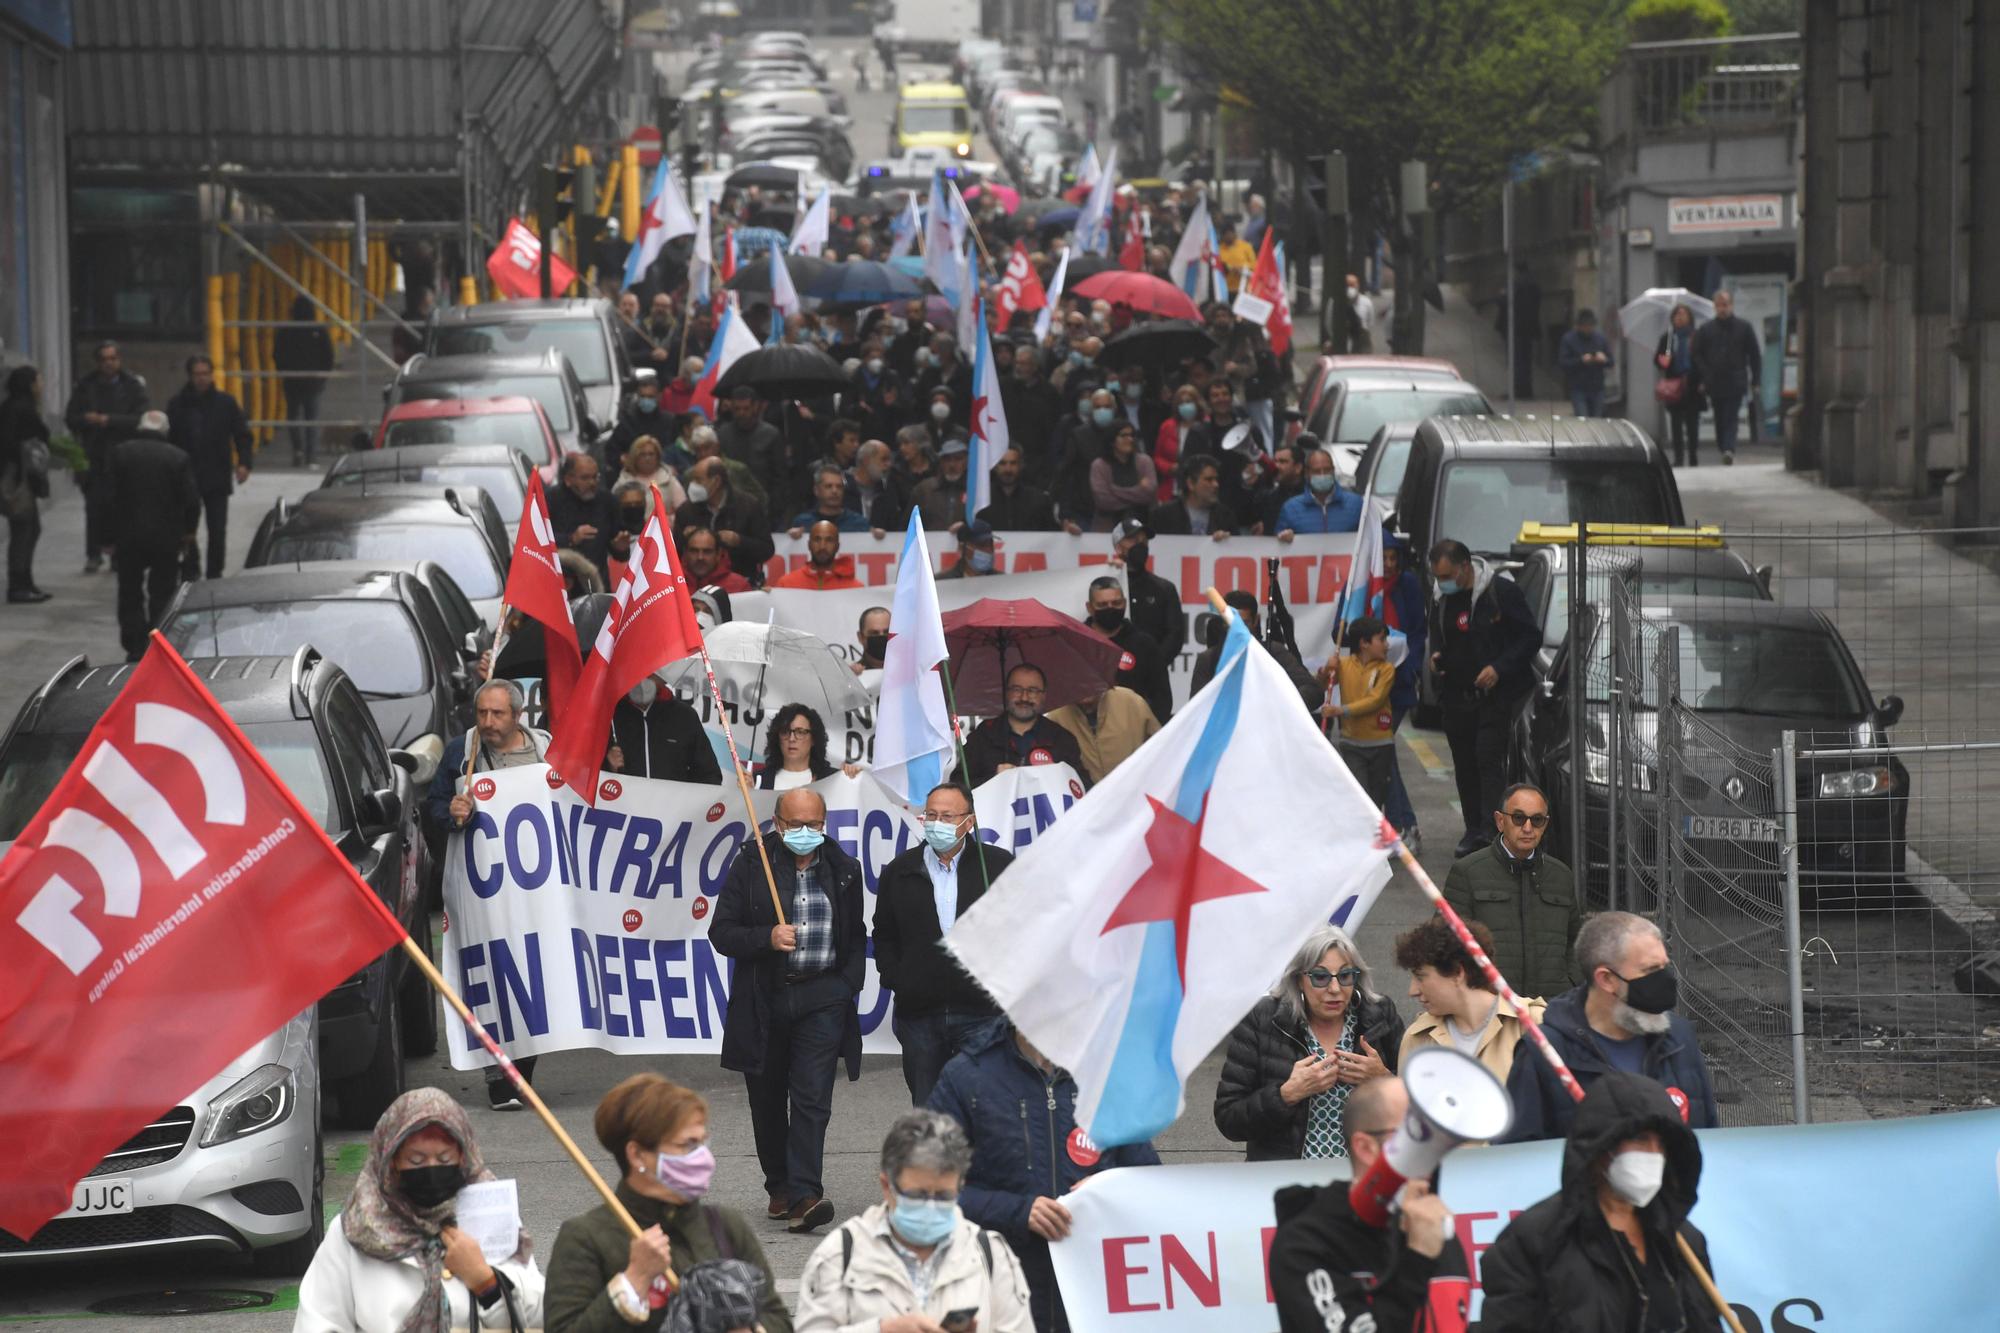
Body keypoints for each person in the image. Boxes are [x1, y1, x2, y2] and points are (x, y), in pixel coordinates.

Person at [928, 1020, 1161, 1333]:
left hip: (1092, 1293)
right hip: (1000, 1292)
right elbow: (928, 1191)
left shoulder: (1105, 1075)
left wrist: (1107, 1189)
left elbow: (1149, 1181)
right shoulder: (967, 1076)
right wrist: (1019, 1211)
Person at [708, 788, 868, 1234]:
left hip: (823, 997)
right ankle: (778, 1183)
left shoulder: (843, 869)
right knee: (767, 1097)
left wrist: (845, 984)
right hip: (765, 997)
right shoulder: (751, 864)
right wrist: (766, 938)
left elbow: (854, 934)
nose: (805, 833)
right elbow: (721, 932)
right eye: (795, 825)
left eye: (814, 825)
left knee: (813, 1098)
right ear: (776, 824)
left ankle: (805, 1194)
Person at [543, 1073, 792, 1333]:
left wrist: (752, 1329)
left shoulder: (725, 1225)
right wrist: (635, 1280)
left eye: (703, 1142)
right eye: (687, 1145)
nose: (702, 1156)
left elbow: (777, 1316)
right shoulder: (587, 1237)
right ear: (637, 1155)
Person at [1477, 1073, 1722, 1332]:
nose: (1653, 1154)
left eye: (1661, 1144)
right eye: (1640, 1139)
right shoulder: (1535, 1240)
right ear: (1603, 1145)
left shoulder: (1683, 1240)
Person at [295, 1088, 544, 1331]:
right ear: (390, 1162)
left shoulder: (489, 1213)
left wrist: (486, 1284)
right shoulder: (356, 1229)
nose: (431, 1170)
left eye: (445, 1159)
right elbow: (318, 1321)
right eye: (416, 1161)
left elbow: (540, 1316)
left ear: (464, 1157)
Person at [793, 1110, 1034, 1333]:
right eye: (917, 1194)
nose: (930, 1205)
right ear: (887, 1186)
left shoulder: (989, 1254)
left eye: (943, 1196)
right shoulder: (841, 1255)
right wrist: (882, 1330)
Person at [427, 679, 551, 1108]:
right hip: (482, 890)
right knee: (492, 975)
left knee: (533, 976)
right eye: (481, 713)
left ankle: (523, 1070)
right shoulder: (462, 754)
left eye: (497, 714)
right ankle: (499, 1076)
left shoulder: (546, 753)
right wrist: (452, 812)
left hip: (536, 891)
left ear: (518, 716)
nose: (488, 722)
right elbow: (434, 807)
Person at [1266, 1076, 1468, 1333]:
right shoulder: (1306, 1242)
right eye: (1414, 1133)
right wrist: (1417, 1259)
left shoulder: (1432, 1227)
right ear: (1365, 1147)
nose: (1431, 1147)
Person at [1504, 912, 1719, 1144]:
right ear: (1606, 979)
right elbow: (1517, 1158)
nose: (1665, 979)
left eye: (1664, 966)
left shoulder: (1679, 1037)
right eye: (1650, 970)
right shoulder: (1544, 1053)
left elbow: (1708, 1135)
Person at [873, 782, 1015, 1103]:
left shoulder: (996, 865)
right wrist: (899, 979)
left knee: (986, 1111)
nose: (937, 824)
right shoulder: (901, 870)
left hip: (983, 1013)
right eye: (931, 815)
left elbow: (1020, 929)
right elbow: (885, 933)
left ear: (969, 821)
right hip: (921, 1015)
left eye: (948, 816)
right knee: (930, 1115)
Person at [1214, 924, 1406, 1161]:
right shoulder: (1264, 1020)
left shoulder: (1378, 1015)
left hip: (1367, 1180)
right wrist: (1286, 1094)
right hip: (1287, 1183)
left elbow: (1422, 1109)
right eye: (1320, 977)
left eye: (1345, 976)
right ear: (1298, 980)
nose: (1335, 989)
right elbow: (1229, 1119)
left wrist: (1384, 1081)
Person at [1427, 539, 1539, 856]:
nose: (1442, 583)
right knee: (1464, 765)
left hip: (1493, 697)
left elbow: (1530, 636)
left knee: (1486, 760)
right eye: (1437, 577)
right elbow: (1437, 630)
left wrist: (1499, 668)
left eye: (1447, 576)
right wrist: (1437, 656)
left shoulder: (1499, 593)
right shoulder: (1440, 598)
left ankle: (1492, 832)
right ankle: (1473, 828)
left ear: (1465, 567)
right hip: (1455, 697)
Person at [1442, 783, 1580, 1003]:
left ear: (1545, 824)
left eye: (1536, 820)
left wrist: (1570, 984)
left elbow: (1576, 939)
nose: (1527, 828)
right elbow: (1444, 939)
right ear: (1500, 821)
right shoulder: (1468, 872)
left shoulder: (1561, 876)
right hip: (1489, 1010)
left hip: (1550, 1011)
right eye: (1518, 818)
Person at [1395, 915, 1545, 1090]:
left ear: (1458, 972)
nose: (1412, 990)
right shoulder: (1416, 1038)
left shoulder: (1533, 1024)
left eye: (1420, 977)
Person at [101, 410, 200, 661]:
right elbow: (191, 500)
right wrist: (189, 531)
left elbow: (106, 498)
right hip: (166, 538)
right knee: (163, 591)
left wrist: (107, 536)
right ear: (164, 431)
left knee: (130, 591)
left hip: (128, 536)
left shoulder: (120, 453)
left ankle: (134, 644)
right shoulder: (178, 457)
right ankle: (157, 642)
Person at [63, 339, 149, 572]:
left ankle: (119, 555)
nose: (109, 364)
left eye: (113, 359)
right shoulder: (86, 386)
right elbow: (71, 417)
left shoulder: (132, 386)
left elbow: (140, 419)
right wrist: (86, 420)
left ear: (119, 360)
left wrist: (108, 420)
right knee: (94, 507)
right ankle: (94, 554)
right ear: (98, 362)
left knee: (121, 507)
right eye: (104, 359)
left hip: (124, 455)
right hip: (94, 456)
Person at [165, 354, 253, 580]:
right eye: (197, 374)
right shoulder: (177, 405)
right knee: (186, 529)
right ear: (190, 376)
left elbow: (242, 435)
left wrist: (244, 463)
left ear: (211, 375)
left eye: (205, 374)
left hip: (216, 474)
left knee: (217, 530)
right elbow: (169, 440)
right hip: (186, 476)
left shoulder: (225, 403)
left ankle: (215, 572)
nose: (202, 379)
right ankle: (190, 570)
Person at [1190, 590, 1321, 711]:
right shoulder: (1208, 659)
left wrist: (1280, 706)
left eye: (1244, 623)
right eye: (1231, 623)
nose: (1237, 630)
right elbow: (1196, 709)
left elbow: (1313, 691)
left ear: (1255, 620)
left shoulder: (1273, 652)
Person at [962, 663, 1086, 786]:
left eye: (1032, 691)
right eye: (1017, 689)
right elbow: (959, 786)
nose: (1024, 698)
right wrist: (993, 779)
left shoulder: (1062, 740)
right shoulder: (981, 737)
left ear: (1044, 695)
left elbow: (1084, 788)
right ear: (1006, 692)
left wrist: (1059, 776)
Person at [1379, 536, 1427, 849]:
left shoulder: (1407, 585)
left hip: (1398, 685)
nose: (1389, 564)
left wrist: (1408, 666)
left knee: (1382, 755)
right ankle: (1403, 825)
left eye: (1393, 557)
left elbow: (1419, 631)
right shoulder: (1360, 583)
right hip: (1364, 685)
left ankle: (1401, 826)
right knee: (1383, 756)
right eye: (1383, 557)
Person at [1325, 616, 1397, 809]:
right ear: (1364, 643)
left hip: (1380, 744)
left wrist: (1341, 710)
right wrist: (1327, 670)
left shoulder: (1387, 670)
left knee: (1375, 802)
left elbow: (1375, 700)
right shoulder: (1343, 665)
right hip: (1352, 744)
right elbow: (1324, 684)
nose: (1386, 645)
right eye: (1381, 640)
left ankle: (1373, 838)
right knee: (1360, 800)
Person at [1083, 576, 1171, 723]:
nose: (1110, 608)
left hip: (1134, 730)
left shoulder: (1144, 644)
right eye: (1102, 605)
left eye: (1116, 603)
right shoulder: (1078, 641)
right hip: (1085, 729)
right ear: (1090, 607)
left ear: (1124, 603)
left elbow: (1161, 697)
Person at [607, 673, 724, 784]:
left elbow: (709, 775)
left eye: (650, 674)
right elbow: (591, 779)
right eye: (636, 672)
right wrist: (608, 766)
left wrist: (686, 799)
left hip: (675, 804)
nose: (642, 682)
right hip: (624, 803)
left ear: (663, 677)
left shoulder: (684, 716)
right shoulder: (609, 715)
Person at [676, 456, 776, 584]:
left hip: (738, 584)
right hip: (695, 585)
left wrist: (739, 541)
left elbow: (766, 550)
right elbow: (673, 555)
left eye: (698, 480)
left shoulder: (748, 506)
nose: (693, 485)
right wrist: (684, 538)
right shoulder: (686, 511)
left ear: (716, 481)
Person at [1691, 289, 1762, 465]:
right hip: (1714, 380)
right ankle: (1723, 446)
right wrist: (1705, 373)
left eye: (1726, 305)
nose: (1723, 308)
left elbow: (1754, 354)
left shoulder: (1743, 327)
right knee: (1719, 416)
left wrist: (1756, 380)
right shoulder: (1706, 329)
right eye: (1719, 305)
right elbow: (1696, 353)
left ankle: (1729, 448)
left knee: (1731, 415)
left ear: (1731, 305)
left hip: (1736, 379)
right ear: (1715, 307)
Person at [1, 365, 51, 603]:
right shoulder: (21, 409)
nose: (41, 385)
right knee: (25, 530)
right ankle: (19, 585)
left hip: (17, 476)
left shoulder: (12, 406)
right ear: (30, 384)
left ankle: (25, 582)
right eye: (38, 380)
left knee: (30, 529)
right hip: (17, 479)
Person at [1045, 683, 1157, 785]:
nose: (1083, 683)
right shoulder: (1056, 717)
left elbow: (1162, 750)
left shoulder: (1131, 702)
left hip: (1138, 797)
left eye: (1088, 675)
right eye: (1076, 678)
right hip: (1088, 803)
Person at [273, 295, 335, 467]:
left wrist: (283, 372)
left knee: (293, 417)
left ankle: (298, 450)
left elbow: (277, 354)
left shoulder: (285, 330)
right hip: (313, 381)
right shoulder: (319, 330)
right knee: (311, 419)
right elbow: (328, 356)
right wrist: (324, 375)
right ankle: (311, 456)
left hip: (292, 380)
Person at [1110, 518, 1185, 652]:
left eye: (1144, 541)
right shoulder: (1107, 587)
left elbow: (1175, 635)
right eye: (1134, 540)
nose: (1141, 545)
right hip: (1112, 668)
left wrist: (1154, 664)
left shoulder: (1165, 589)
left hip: (1154, 669)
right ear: (1118, 547)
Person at [756, 703, 861, 789]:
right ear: (777, 737)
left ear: (813, 739)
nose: (792, 739)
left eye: (800, 732)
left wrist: (853, 780)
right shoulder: (759, 780)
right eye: (785, 732)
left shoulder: (833, 779)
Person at [549, 453, 617, 582]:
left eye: (595, 477)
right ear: (568, 479)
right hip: (561, 584)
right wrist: (571, 539)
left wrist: (620, 547)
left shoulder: (607, 501)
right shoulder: (551, 500)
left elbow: (618, 552)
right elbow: (540, 540)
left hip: (598, 584)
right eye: (585, 478)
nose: (592, 483)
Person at [1655, 303, 1706, 467]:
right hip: (1674, 385)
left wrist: (1703, 380)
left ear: (1689, 317)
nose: (1680, 317)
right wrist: (1662, 360)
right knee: (1675, 424)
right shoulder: (1668, 338)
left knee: (1692, 423)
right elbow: (1658, 359)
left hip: (1692, 384)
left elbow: (1703, 359)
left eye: (1683, 314)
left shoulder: (1696, 336)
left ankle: (1693, 456)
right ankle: (1678, 457)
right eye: (1677, 314)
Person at [1086, 420, 1157, 533]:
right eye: (1124, 435)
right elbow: (1103, 501)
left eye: (1132, 435)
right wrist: (1139, 490)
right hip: (1106, 530)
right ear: (1112, 440)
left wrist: (1113, 490)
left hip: (1141, 528)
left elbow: (1149, 495)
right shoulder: (1099, 465)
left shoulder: (1145, 462)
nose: (1130, 439)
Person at [977, 445, 1065, 532]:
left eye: (1013, 463)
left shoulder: (1039, 500)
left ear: (1021, 465)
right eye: (1002, 463)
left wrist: (1066, 529)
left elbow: (1053, 533)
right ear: (995, 466)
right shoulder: (981, 501)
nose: (1008, 469)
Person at [716, 386, 782, 496]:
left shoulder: (771, 434)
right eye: (737, 409)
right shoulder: (723, 433)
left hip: (762, 498)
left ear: (755, 407)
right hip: (731, 498)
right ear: (732, 408)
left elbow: (779, 477)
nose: (742, 413)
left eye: (746, 408)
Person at [772, 520, 864, 590]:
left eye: (829, 540)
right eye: (817, 540)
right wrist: (767, 598)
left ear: (837, 546)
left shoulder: (855, 588)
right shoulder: (786, 584)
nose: (822, 546)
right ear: (809, 545)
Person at [1557, 309, 1614, 419]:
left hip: (1597, 387)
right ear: (1579, 326)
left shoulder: (1600, 339)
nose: (1588, 328)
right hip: (1578, 388)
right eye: (1585, 326)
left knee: (1597, 420)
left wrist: (1603, 360)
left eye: (1590, 326)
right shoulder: (1569, 340)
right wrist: (1581, 361)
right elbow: (1563, 363)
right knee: (1582, 419)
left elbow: (1611, 362)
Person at [613, 434, 689, 512]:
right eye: (643, 454)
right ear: (634, 457)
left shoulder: (669, 480)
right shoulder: (622, 482)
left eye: (651, 454)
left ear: (658, 457)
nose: (647, 458)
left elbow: (683, 510)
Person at [1153, 384, 1202, 502]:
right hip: (1173, 488)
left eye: (1189, 401)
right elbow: (1157, 457)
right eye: (1182, 403)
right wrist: (1169, 467)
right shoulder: (1167, 426)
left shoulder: (1206, 425)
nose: (1186, 405)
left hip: (1200, 488)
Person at [788, 464, 868, 536]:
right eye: (828, 486)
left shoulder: (859, 523)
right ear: (816, 490)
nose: (835, 491)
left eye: (839, 487)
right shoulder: (803, 523)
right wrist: (789, 538)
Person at [911, 437, 971, 532]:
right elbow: (908, 524)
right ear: (941, 462)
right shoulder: (924, 489)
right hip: (930, 544)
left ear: (967, 461)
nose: (952, 465)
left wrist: (967, 526)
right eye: (947, 459)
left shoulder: (976, 490)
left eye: (958, 459)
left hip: (966, 543)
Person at [679, 525, 752, 595]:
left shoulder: (739, 586)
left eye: (707, 552)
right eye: (694, 551)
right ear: (685, 553)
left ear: (718, 554)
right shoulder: (671, 586)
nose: (700, 557)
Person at [934, 518, 998, 580]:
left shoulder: (1001, 580)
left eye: (990, 545)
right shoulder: (942, 582)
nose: (988, 550)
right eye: (981, 545)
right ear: (962, 548)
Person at [852, 605, 891, 685]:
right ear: (860, 637)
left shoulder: (910, 671)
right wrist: (850, 681)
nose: (881, 637)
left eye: (887, 632)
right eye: (874, 633)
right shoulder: (853, 675)